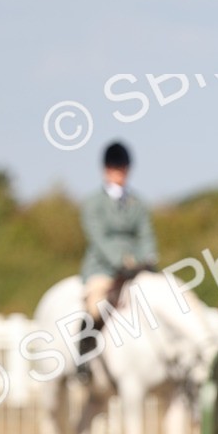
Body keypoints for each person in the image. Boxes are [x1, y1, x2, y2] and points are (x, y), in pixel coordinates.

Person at [79, 141, 158, 341]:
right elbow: (99, 239)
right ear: (106, 170)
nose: (120, 173)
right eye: (115, 168)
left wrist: (147, 258)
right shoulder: (93, 203)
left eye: (123, 168)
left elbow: (145, 234)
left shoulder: (137, 203)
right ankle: (84, 359)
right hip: (104, 269)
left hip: (136, 268)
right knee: (96, 307)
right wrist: (121, 262)